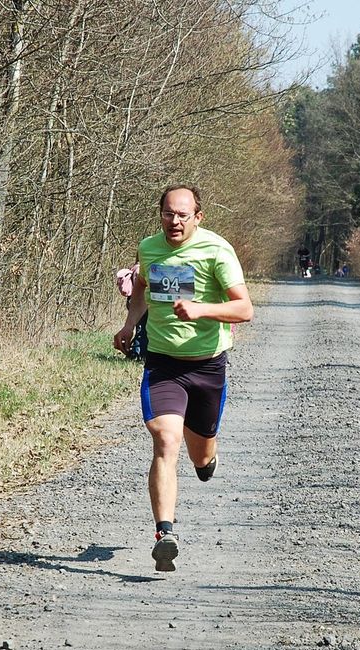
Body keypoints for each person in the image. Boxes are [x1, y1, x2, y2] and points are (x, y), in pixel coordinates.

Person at [113, 183, 253, 572]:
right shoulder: (149, 247)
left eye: (182, 215)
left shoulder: (216, 250)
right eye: (168, 214)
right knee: (164, 438)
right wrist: (129, 324)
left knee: (200, 457)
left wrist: (202, 309)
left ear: (198, 217)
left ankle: (208, 458)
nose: (174, 221)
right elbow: (140, 288)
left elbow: (244, 309)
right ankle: (165, 533)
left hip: (207, 366)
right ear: (160, 214)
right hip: (163, 365)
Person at [114, 264, 148, 360]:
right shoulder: (140, 269)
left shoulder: (135, 268)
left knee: (140, 328)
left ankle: (138, 353)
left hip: (133, 302)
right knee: (142, 330)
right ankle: (138, 354)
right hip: (140, 303)